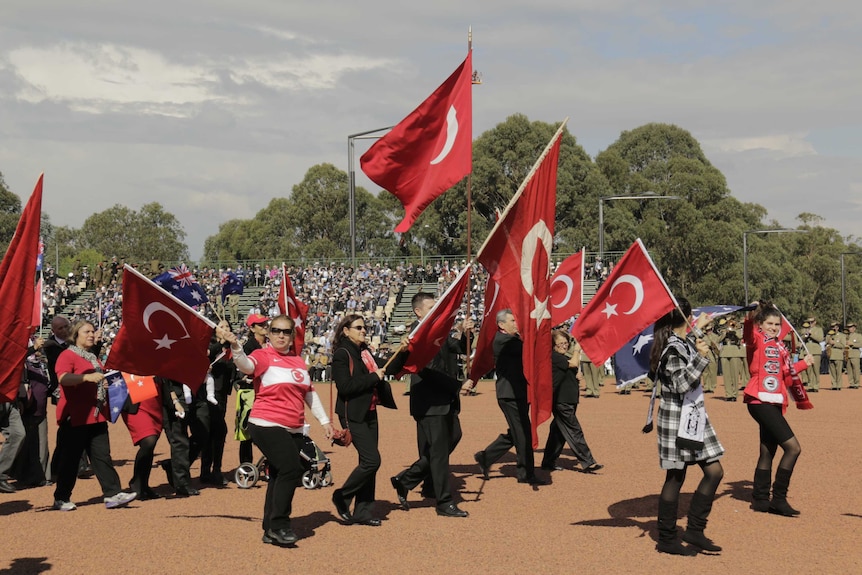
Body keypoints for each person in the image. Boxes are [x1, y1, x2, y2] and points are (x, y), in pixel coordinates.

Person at [230, 315, 334, 546]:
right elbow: (246, 366)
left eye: (286, 332)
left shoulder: (298, 362)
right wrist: (236, 347)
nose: (280, 335)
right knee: (291, 469)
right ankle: (280, 525)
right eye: (276, 330)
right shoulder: (263, 356)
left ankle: (269, 528)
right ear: (268, 333)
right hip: (266, 423)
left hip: (294, 427)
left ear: (292, 336)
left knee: (278, 475)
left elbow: (309, 393)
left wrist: (325, 421)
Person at [649, 299, 723, 555]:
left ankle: (694, 529)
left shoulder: (679, 342)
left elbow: (688, 346)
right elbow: (681, 384)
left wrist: (697, 330)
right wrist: (702, 358)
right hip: (677, 420)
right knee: (676, 476)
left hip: (692, 417)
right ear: (687, 316)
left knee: (714, 472)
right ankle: (667, 538)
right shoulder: (671, 348)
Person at [390, 292, 472, 518]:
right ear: (418, 311)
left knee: (452, 438)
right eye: (431, 307)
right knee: (438, 452)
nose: (437, 310)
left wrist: (467, 333)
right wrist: (456, 386)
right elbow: (426, 372)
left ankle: (408, 480)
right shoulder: (416, 336)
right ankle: (444, 502)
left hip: (446, 399)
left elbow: (459, 348)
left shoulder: (439, 331)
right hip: (429, 401)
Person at [52, 320, 137, 511]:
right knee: (71, 460)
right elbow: (63, 378)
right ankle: (61, 498)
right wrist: (86, 378)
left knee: (102, 457)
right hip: (75, 416)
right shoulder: (67, 355)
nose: (91, 334)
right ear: (76, 335)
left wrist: (102, 384)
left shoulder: (92, 357)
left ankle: (112, 494)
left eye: (92, 331)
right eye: (86, 331)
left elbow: (97, 380)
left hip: (95, 415)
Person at [330, 313, 405, 526]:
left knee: (368, 463)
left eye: (365, 328)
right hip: (352, 414)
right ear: (346, 331)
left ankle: (363, 511)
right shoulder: (342, 354)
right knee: (373, 460)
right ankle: (342, 496)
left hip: (369, 412)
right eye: (359, 327)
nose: (364, 331)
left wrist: (404, 350)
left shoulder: (364, 352)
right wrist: (373, 377)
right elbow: (345, 387)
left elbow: (388, 366)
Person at [743, 302, 813, 516]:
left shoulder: (779, 346)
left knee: (768, 450)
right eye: (769, 323)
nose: (773, 327)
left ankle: (761, 498)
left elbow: (784, 372)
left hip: (773, 400)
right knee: (793, 448)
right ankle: (779, 499)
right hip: (758, 400)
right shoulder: (756, 339)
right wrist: (749, 316)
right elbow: (748, 334)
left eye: (776, 324)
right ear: (760, 325)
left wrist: (803, 363)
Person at [474, 309, 547, 486]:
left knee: (518, 430)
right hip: (509, 394)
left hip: (518, 392)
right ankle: (525, 473)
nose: (516, 323)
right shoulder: (503, 340)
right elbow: (527, 348)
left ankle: (486, 456)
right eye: (513, 321)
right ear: (501, 324)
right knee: (522, 433)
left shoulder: (512, 339)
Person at [540, 330, 603, 474]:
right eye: (560, 343)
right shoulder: (554, 356)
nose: (564, 346)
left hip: (568, 400)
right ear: (553, 345)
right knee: (574, 430)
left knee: (558, 432)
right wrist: (577, 350)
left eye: (565, 342)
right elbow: (573, 363)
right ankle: (588, 461)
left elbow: (572, 367)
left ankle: (548, 461)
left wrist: (576, 374)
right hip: (561, 401)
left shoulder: (562, 357)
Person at [200, 320, 235, 486]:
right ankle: (210, 470)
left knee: (216, 433)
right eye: (222, 326)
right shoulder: (211, 344)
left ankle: (213, 470)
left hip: (222, 394)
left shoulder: (231, 347)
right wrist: (220, 343)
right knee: (215, 432)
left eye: (228, 326)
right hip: (209, 393)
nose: (226, 329)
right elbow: (205, 356)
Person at [235, 314, 268, 468]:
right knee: (247, 432)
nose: (265, 326)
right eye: (261, 325)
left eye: (265, 323)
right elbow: (242, 373)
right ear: (252, 328)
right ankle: (246, 466)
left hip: (265, 393)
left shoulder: (269, 345)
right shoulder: (248, 347)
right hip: (249, 393)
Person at [121, 385, 163, 500]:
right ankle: (137, 482)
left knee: (150, 445)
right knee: (149, 440)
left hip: (155, 400)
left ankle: (143, 484)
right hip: (136, 401)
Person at [719, 319, 745, 401]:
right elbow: (718, 339)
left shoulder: (737, 329)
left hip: (734, 351)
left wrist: (733, 330)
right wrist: (725, 333)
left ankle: (734, 394)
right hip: (725, 351)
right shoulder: (722, 330)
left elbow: (740, 337)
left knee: (734, 374)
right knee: (726, 375)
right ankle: (728, 394)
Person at [800, 317, 824, 392]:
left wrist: (811, 335)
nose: (810, 323)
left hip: (816, 351)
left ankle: (816, 386)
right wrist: (805, 335)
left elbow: (820, 339)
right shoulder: (805, 330)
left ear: (815, 322)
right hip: (807, 350)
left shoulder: (819, 329)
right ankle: (811, 385)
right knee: (809, 369)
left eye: (812, 322)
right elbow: (801, 339)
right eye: (809, 322)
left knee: (816, 369)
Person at [825, 322, 846, 390]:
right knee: (832, 371)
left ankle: (839, 385)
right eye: (832, 327)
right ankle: (834, 384)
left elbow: (843, 345)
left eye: (835, 327)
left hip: (838, 356)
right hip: (831, 355)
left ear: (838, 328)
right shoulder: (828, 336)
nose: (834, 329)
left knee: (838, 371)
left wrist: (834, 343)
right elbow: (826, 344)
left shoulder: (842, 335)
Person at [846, 323, 860, 389]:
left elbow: (860, 344)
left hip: (855, 355)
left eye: (851, 327)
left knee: (856, 370)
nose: (849, 329)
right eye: (849, 327)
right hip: (848, 355)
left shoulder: (858, 335)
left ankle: (856, 383)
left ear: (854, 328)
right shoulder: (846, 336)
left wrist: (852, 344)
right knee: (849, 370)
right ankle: (851, 383)